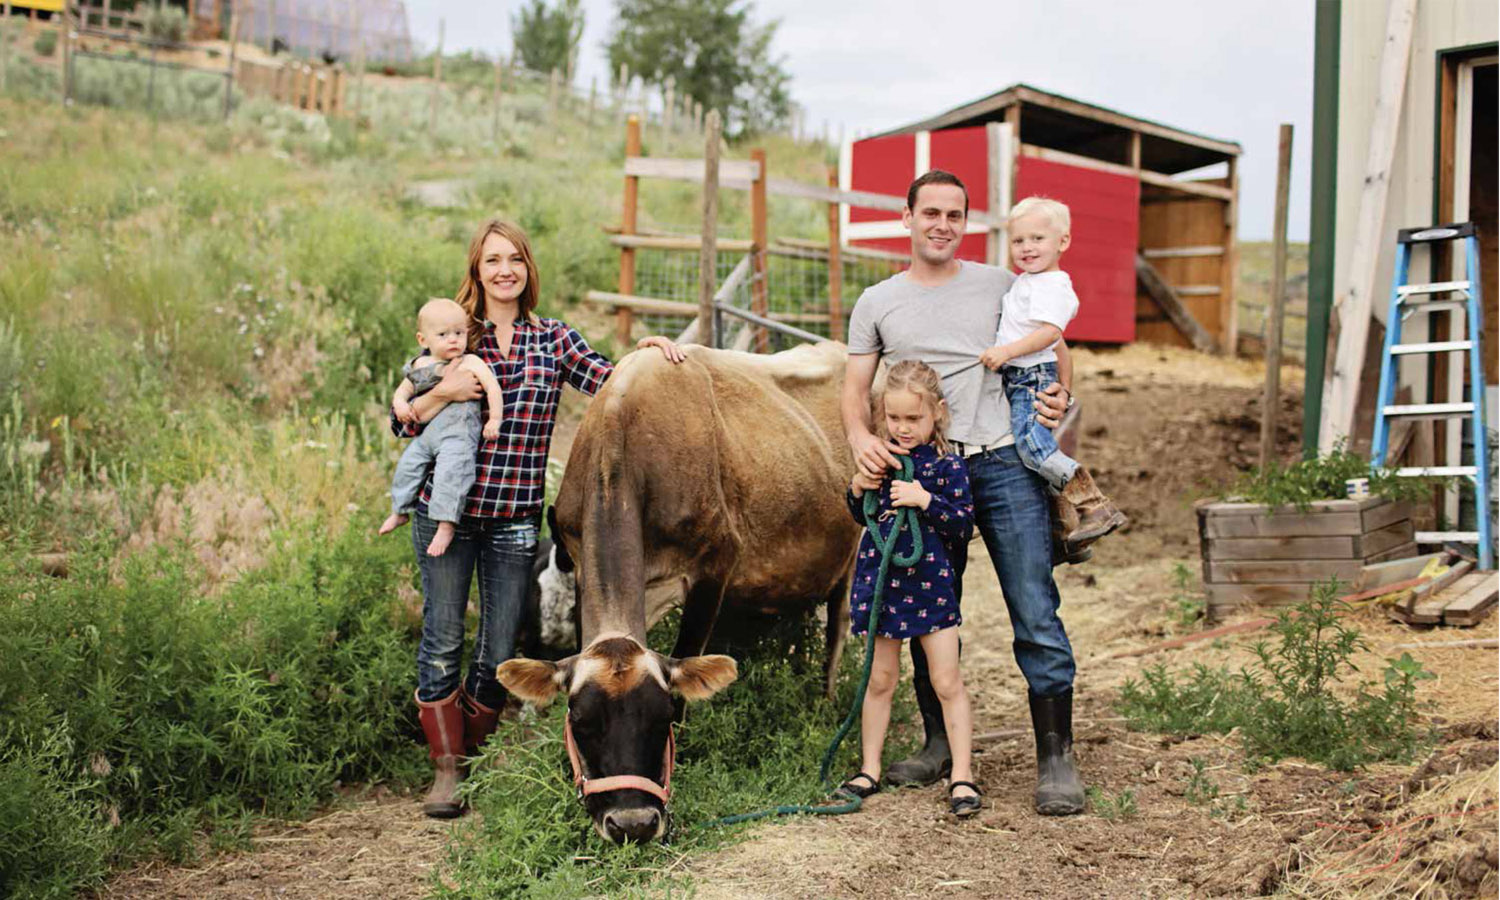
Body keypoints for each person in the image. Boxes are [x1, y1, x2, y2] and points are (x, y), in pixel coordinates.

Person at [391, 219, 684, 818]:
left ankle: (475, 761)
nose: (505, 270)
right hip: (444, 513)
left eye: (515, 259)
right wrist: (445, 393)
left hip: (513, 520)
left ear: (528, 269)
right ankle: (447, 771)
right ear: (477, 269)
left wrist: (647, 355)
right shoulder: (452, 336)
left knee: (500, 644)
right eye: (493, 260)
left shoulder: (552, 339)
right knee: (444, 636)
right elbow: (404, 421)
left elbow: (610, 382)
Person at [841, 170, 1085, 816]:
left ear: (966, 223)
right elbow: (853, 386)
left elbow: (1056, 342)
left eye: (955, 214)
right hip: (921, 471)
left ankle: (1056, 756)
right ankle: (936, 744)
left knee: (1033, 602)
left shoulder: (1003, 284)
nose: (942, 224)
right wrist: (860, 440)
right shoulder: (878, 300)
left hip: (1001, 460)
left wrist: (1060, 394)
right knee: (924, 602)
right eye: (931, 212)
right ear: (907, 217)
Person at [836, 360, 980, 817]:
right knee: (880, 679)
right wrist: (858, 489)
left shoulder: (946, 466)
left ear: (936, 413)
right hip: (884, 588)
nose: (902, 428)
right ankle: (870, 768)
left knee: (946, 679)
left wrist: (926, 500)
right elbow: (863, 515)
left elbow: (963, 523)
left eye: (913, 419)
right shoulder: (880, 462)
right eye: (894, 418)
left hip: (931, 589)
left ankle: (962, 775)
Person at [979, 196, 1126, 549]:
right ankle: (1064, 532)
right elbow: (1059, 348)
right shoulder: (1028, 282)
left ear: (1063, 242)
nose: (1027, 248)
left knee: (1033, 448)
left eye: (1037, 239)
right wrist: (1064, 386)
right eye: (1018, 241)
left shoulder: (1052, 285)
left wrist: (1006, 352)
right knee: (1030, 457)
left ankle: (1093, 504)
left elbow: (1050, 335)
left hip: (1029, 376)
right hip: (1025, 376)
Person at [379, 298, 506, 557]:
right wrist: (401, 405)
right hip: (429, 436)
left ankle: (446, 524)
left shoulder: (470, 361)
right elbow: (403, 391)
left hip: (458, 437)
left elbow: (493, 388)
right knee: (408, 466)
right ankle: (400, 510)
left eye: (459, 333)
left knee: (453, 475)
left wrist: (494, 419)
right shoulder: (421, 365)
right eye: (443, 334)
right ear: (423, 340)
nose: (453, 340)